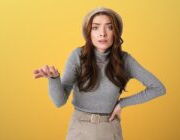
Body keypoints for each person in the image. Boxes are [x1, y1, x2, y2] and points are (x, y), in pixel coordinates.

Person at [33, 7, 166, 140]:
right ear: (88, 32)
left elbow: (158, 88)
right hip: (79, 131)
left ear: (116, 32)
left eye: (109, 27)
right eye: (95, 28)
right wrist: (54, 79)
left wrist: (122, 104)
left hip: (110, 130)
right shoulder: (77, 56)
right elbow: (59, 102)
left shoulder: (125, 60)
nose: (102, 33)